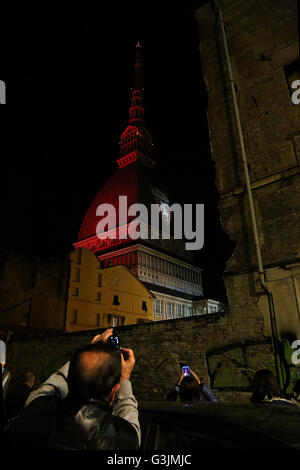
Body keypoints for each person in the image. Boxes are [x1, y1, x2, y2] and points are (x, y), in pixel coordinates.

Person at [4, 328, 140, 449]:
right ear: (113, 394)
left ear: (70, 380)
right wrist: (124, 379)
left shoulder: (36, 408)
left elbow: (52, 384)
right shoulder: (119, 439)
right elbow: (133, 432)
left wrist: (89, 350)